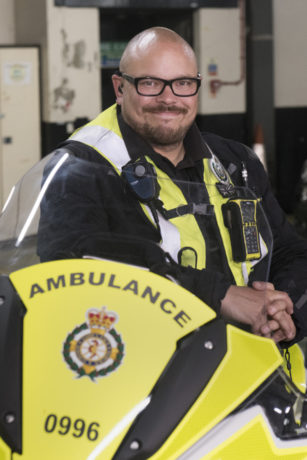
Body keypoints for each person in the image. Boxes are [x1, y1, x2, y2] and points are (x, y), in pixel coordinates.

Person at [38, 27, 307, 346]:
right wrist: (221, 296)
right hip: (150, 373)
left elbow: (290, 251)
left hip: (251, 369)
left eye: (183, 84)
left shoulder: (236, 163)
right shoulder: (79, 168)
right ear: (120, 88)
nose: (169, 99)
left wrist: (283, 311)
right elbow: (78, 268)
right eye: (150, 83)